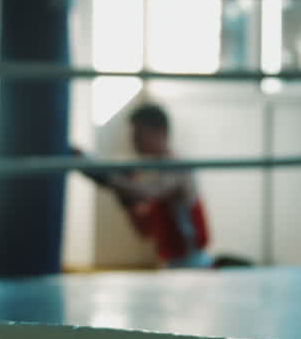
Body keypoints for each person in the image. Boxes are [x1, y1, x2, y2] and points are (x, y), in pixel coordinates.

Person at [78, 102, 213, 269]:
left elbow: (145, 192)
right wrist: (126, 201)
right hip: (171, 264)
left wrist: (105, 176)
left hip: (192, 264)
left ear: (161, 131)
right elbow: (145, 231)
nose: (134, 141)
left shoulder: (178, 167)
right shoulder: (156, 176)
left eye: (139, 134)